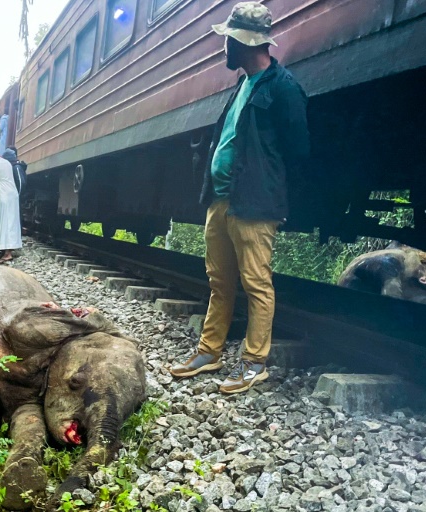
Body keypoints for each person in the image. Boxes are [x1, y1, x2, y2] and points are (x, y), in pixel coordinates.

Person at [169, 2, 310, 394]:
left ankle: (254, 363)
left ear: (244, 43)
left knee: (256, 283)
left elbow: (298, 152)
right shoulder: (243, 84)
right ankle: (209, 352)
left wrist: (274, 197)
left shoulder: (284, 88)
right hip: (222, 199)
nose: (223, 47)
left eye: (227, 40)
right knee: (220, 280)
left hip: (254, 204)